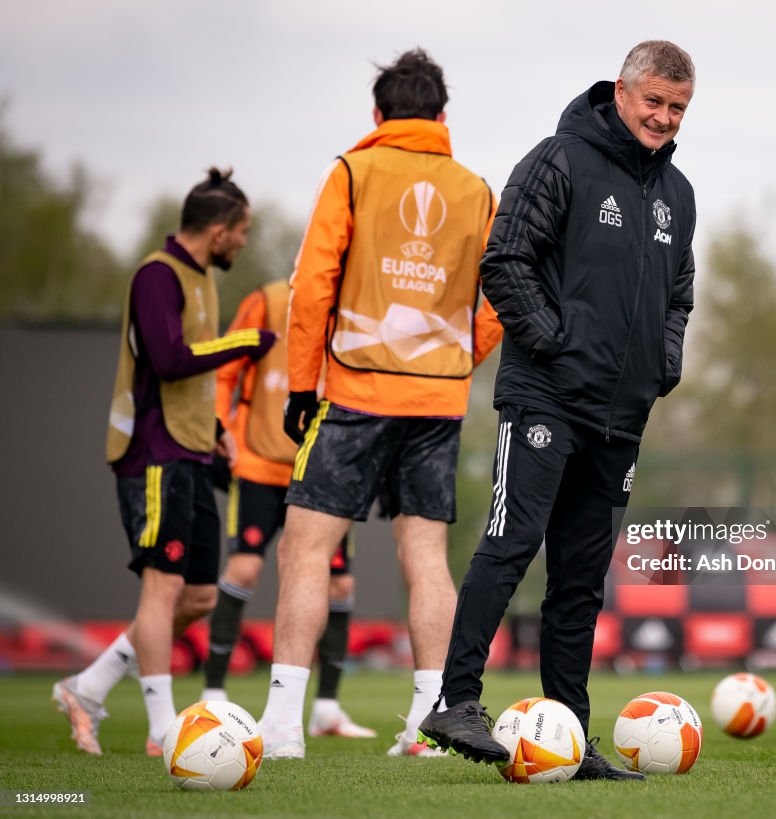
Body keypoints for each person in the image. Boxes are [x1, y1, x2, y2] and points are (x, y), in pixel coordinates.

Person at [418, 40, 697, 781]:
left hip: (622, 418)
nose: (665, 118)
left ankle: (570, 734)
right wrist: (555, 342)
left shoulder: (680, 196)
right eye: (655, 102)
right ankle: (455, 699)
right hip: (545, 396)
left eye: (678, 108)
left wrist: (663, 366)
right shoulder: (560, 158)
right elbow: (503, 258)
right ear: (623, 91)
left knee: (581, 578)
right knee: (512, 540)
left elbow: (680, 297)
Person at [256, 48, 503, 760]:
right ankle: (429, 718)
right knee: (425, 557)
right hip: (438, 403)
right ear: (442, 116)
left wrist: (302, 385)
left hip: (355, 392)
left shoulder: (353, 171)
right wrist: (457, 364)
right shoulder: (477, 189)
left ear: (377, 115)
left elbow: (311, 285)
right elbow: (502, 297)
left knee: (305, 552)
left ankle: (282, 726)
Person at [53, 169, 275, 756]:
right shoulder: (157, 274)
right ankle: (161, 731)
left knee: (199, 597)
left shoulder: (202, 277)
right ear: (220, 229)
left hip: (194, 452)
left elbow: (192, 377)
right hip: (153, 454)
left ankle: (87, 687)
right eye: (243, 231)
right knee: (162, 590)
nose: (245, 242)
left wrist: (221, 430)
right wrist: (245, 341)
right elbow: (171, 360)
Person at [199, 279, 374, 739]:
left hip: (318, 467)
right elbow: (224, 370)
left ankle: (327, 708)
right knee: (244, 569)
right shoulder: (267, 301)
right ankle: (213, 692)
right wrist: (220, 423)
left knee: (340, 583)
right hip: (258, 465)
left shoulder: (353, 304)